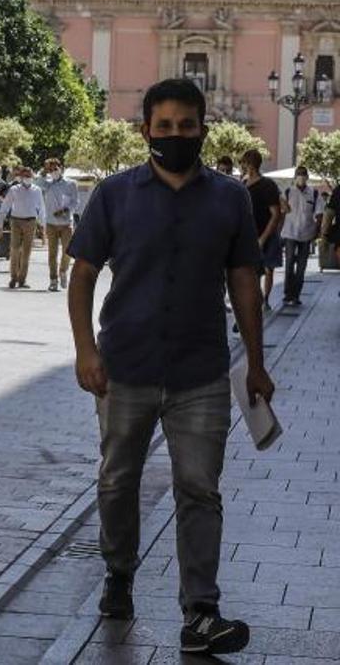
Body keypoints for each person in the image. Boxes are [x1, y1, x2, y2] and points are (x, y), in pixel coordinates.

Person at [67, 78, 274, 657]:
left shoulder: (229, 197)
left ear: (203, 129)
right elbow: (82, 274)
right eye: (165, 127)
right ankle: (118, 572)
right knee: (116, 481)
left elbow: (242, 282)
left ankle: (201, 611)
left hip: (200, 369)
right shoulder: (114, 194)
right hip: (124, 366)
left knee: (199, 489)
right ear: (146, 132)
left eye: (187, 126)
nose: (176, 136)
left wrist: (255, 363)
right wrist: (86, 349)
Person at [240, 149, 283, 309]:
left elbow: (275, 214)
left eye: (246, 163)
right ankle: (255, 303)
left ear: (252, 164)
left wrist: (263, 238)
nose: (244, 166)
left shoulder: (268, 185)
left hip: (268, 236)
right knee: (252, 273)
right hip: (249, 237)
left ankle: (265, 299)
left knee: (268, 270)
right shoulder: (242, 184)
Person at [280, 166, 325, 306]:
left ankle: (296, 295)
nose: (301, 177)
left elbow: (319, 214)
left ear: (307, 177)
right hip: (290, 233)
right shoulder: (288, 192)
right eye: (299, 174)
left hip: (306, 234)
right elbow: (281, 212)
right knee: (288, 265)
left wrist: (317, 231)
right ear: (295, 176)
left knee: (301, 267)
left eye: (303, 174)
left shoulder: (314, 193)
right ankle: (288, 294)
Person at [0, 166, 45, 289]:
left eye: (29, 176)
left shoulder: (37, 190)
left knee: (26, 252)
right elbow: (5, 207)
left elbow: (41, 209)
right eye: (25, 176)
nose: (27, 178)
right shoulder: (14, 189)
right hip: (16, 221)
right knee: (15, 249)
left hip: (31, 222)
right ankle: (13, 278)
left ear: (33, 177)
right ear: (21, 177)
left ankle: (22, 279)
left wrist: (43, 226)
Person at [38, 158, 79, 292]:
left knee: (68, 251)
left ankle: (63, 271)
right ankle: (53, 280)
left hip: (66, 223)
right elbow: (36, 182)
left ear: (61, 168)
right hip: (51, 223)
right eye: (51, 169)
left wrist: (65, 210)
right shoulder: (47, 184)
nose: (53, 171)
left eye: (55, 169)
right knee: (52, 254)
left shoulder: (71, 184)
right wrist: (44, 171)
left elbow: (75, 202)